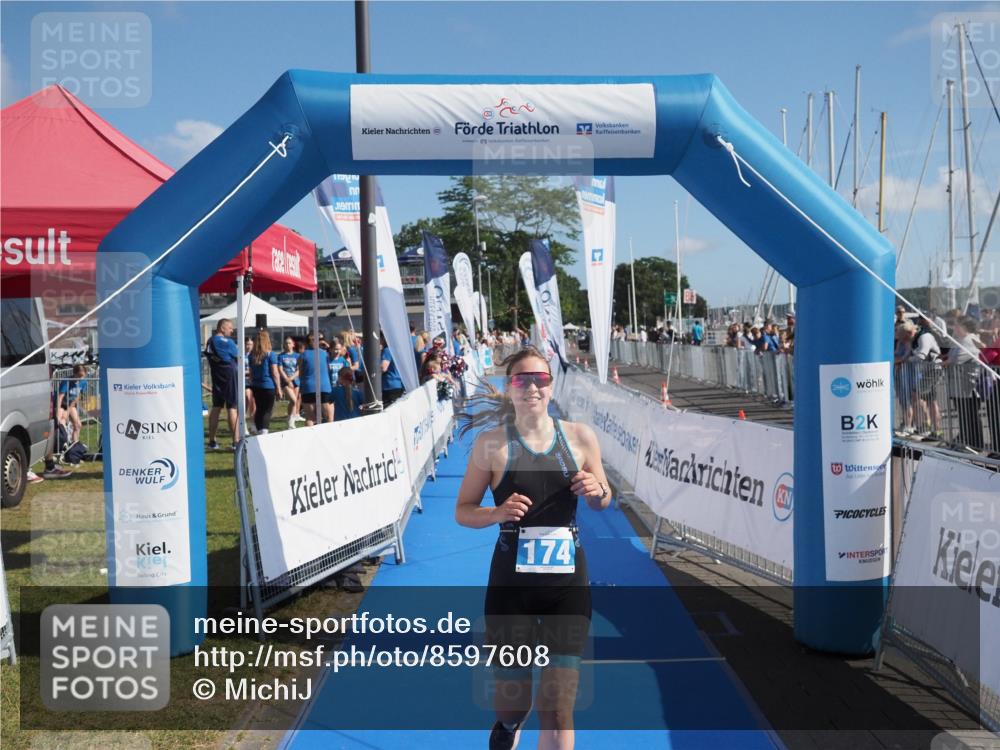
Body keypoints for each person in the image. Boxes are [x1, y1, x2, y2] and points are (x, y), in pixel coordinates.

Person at [455, 347, 611, 750]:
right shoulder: (492, 445)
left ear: (551, 385)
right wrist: (497, 513)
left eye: (541, 379)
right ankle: (507, 730)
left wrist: (598, 491)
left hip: (567, 588)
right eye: (522, 380)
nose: (532, 388)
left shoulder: (580, 438)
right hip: (512, 590)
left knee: (559, 708)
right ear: (510, 387)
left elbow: (602, 497)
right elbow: (463, 511)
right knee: (514, 704)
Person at [206, 319, 240, 450]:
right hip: (230, 375)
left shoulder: (211, 341)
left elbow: (208, 355)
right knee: (232, 407)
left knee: (216, 406)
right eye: (230, 328)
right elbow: (237, 357)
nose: (232, 330)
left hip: (217, 375)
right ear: (222, 328)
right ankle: (236, 442)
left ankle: (212, 441)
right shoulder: (229, 342)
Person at [249, 330, 281, 435]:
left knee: (259, 409)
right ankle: (264, 431)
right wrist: (279, 388)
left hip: (256, 386)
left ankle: (259, 430)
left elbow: (251, 372)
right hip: (268, 385)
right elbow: (275, 372)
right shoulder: (270, 354)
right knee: (267, 410)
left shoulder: (251, 355)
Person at [297, 333, 333, 425]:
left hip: (311, 387)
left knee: (311, 418)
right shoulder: (325, 354)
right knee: (327, 417)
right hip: (322, 387)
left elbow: (300, 372)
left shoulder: (303, 355)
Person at [57, 364, 88, 444]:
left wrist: (69, 410)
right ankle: (63, 444)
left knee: (78, 425)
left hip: (70, 404)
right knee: (61, 421)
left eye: (83, 376)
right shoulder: (66, 381)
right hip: (60, 404)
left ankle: (75, 444)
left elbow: (78, 397)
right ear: (74, 373)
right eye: (79, 376)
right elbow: (60, 397)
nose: (80, 378)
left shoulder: (84, 381)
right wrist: (58, 411)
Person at [277, 336, 301, 429]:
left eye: (289, 343)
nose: (288, 345)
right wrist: (287, 379)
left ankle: (291, 421)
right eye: (286, 343)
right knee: (293, 400)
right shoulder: (281, 356)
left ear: (293, 344)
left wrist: (292, 378)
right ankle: (290, 419)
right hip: (285, 381)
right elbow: (280, 369)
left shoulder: (297, 356)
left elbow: (299, 370)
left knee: (294, 402)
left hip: (295, 380)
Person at [381, 335, 405, 407]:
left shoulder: (387, 350)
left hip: (389, 385)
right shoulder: (399, 350)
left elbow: (383, 367)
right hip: (398, 384)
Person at [244, 337, 257, 431]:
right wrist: (248, 371)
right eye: (247, 344)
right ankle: (243, 424)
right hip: (245, 381)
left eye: (250, 344)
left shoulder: (254, 355)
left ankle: (253, 424)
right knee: (247, 399)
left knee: (254, 403)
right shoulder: (241, 355)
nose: (249, 346)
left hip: (254, 381)